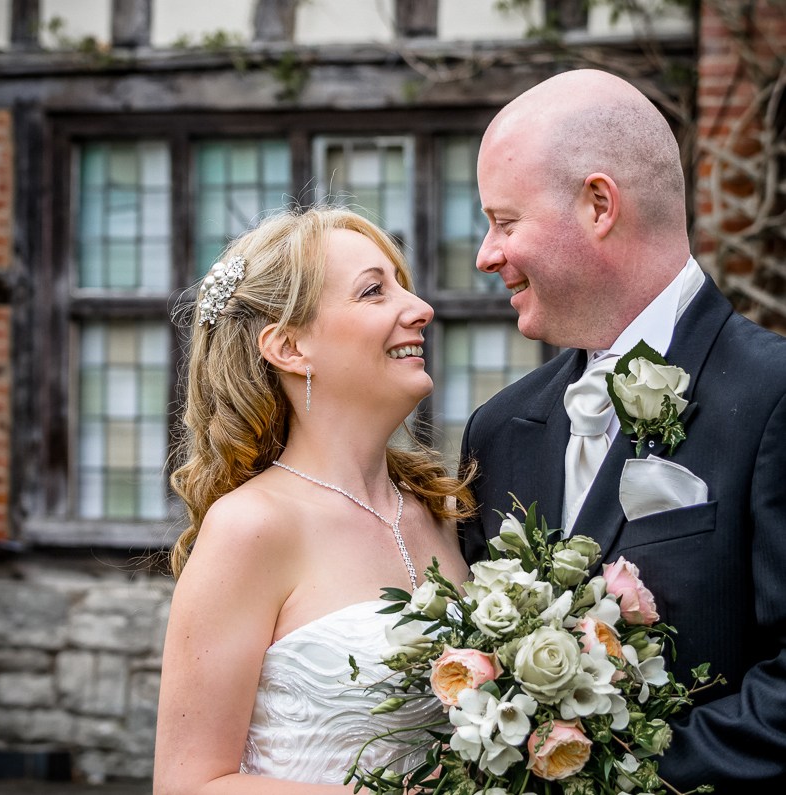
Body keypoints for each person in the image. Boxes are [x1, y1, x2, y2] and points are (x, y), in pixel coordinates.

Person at [460, 69, 786, 792]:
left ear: (599, 204)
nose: (486, 253)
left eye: (504, 221)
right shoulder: (498, 431)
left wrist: (608, 777)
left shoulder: (772, 396)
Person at [154, 206, 471, 794]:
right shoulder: (251, 526)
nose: (420, 309)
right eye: (375, 291)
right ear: (290, 347)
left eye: (404, 286)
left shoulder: (443, 511)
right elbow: (188, 785)